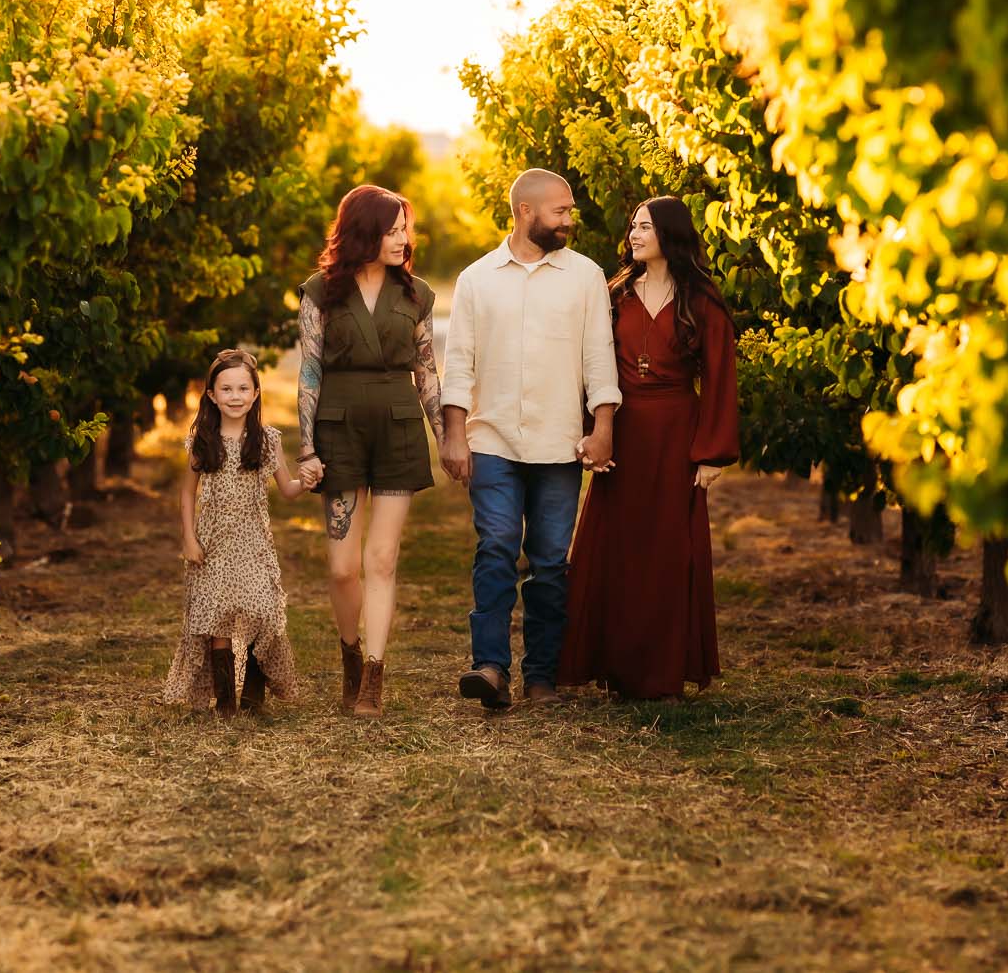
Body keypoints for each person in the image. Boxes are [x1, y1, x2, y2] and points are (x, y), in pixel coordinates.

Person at [441, 169, 620, 710]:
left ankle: (541, 674)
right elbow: (459, 364)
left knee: (548, 562)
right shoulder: (477, 279)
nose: (569, 220)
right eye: (560, 211)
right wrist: (454, 434)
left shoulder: (585, 276)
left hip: (559, 444)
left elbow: (598, 358)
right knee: (495, 548)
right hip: (492, 439)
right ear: (525, 212)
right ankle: (491, 667)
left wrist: (603, 426)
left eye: (570, 211)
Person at [558, 197, 739, 700]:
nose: (634, 235)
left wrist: (711, 452)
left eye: (646, 227)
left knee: (667, 551)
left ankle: (660, 675)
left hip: (677, 434)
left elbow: (722, 376)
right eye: (632, 225)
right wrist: (591, 428)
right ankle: (614, 668)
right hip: (623, 428)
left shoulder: (701, 298)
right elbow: (589, 365)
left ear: (670, 235)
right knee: (616, 548)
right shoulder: (615, 294)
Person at [296, 185, 445, 717]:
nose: (404, 238)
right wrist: (307, 446)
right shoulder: (320, 293)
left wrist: (445, 436)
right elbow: (310, 370)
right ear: (364, 231)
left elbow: (426, 371)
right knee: (342, 567)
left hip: (398, 426)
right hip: (338, 427)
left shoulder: (417, 295)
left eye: (406, 228)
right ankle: (350, 656)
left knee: (381, 559)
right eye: (393, 229)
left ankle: (375, 679)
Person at [162, 349, 311, 715]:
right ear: (211, 395)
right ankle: (226, 701)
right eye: (226, 389)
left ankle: (253, 697)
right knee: (216, 616)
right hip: (212, 543)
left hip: (253, 541)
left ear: (256, 393)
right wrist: (188, 538)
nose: (235, 396)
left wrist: (305, 482)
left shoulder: (266, 440)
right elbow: (186, 492)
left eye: (243, 388)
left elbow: (287, 489)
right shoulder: (202, 441)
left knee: (263, 610)